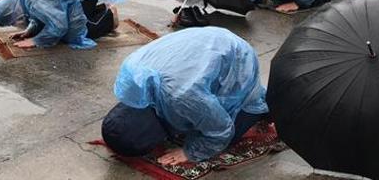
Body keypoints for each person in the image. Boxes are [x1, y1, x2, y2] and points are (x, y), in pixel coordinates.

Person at [103, 27, 268, 163]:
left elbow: (221, 129)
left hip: (237, 57)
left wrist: (189, 152)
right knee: (194, 115)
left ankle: (266, 105)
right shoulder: (133, 74)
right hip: (205, 39)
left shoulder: (182, 97)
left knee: (226, 138)